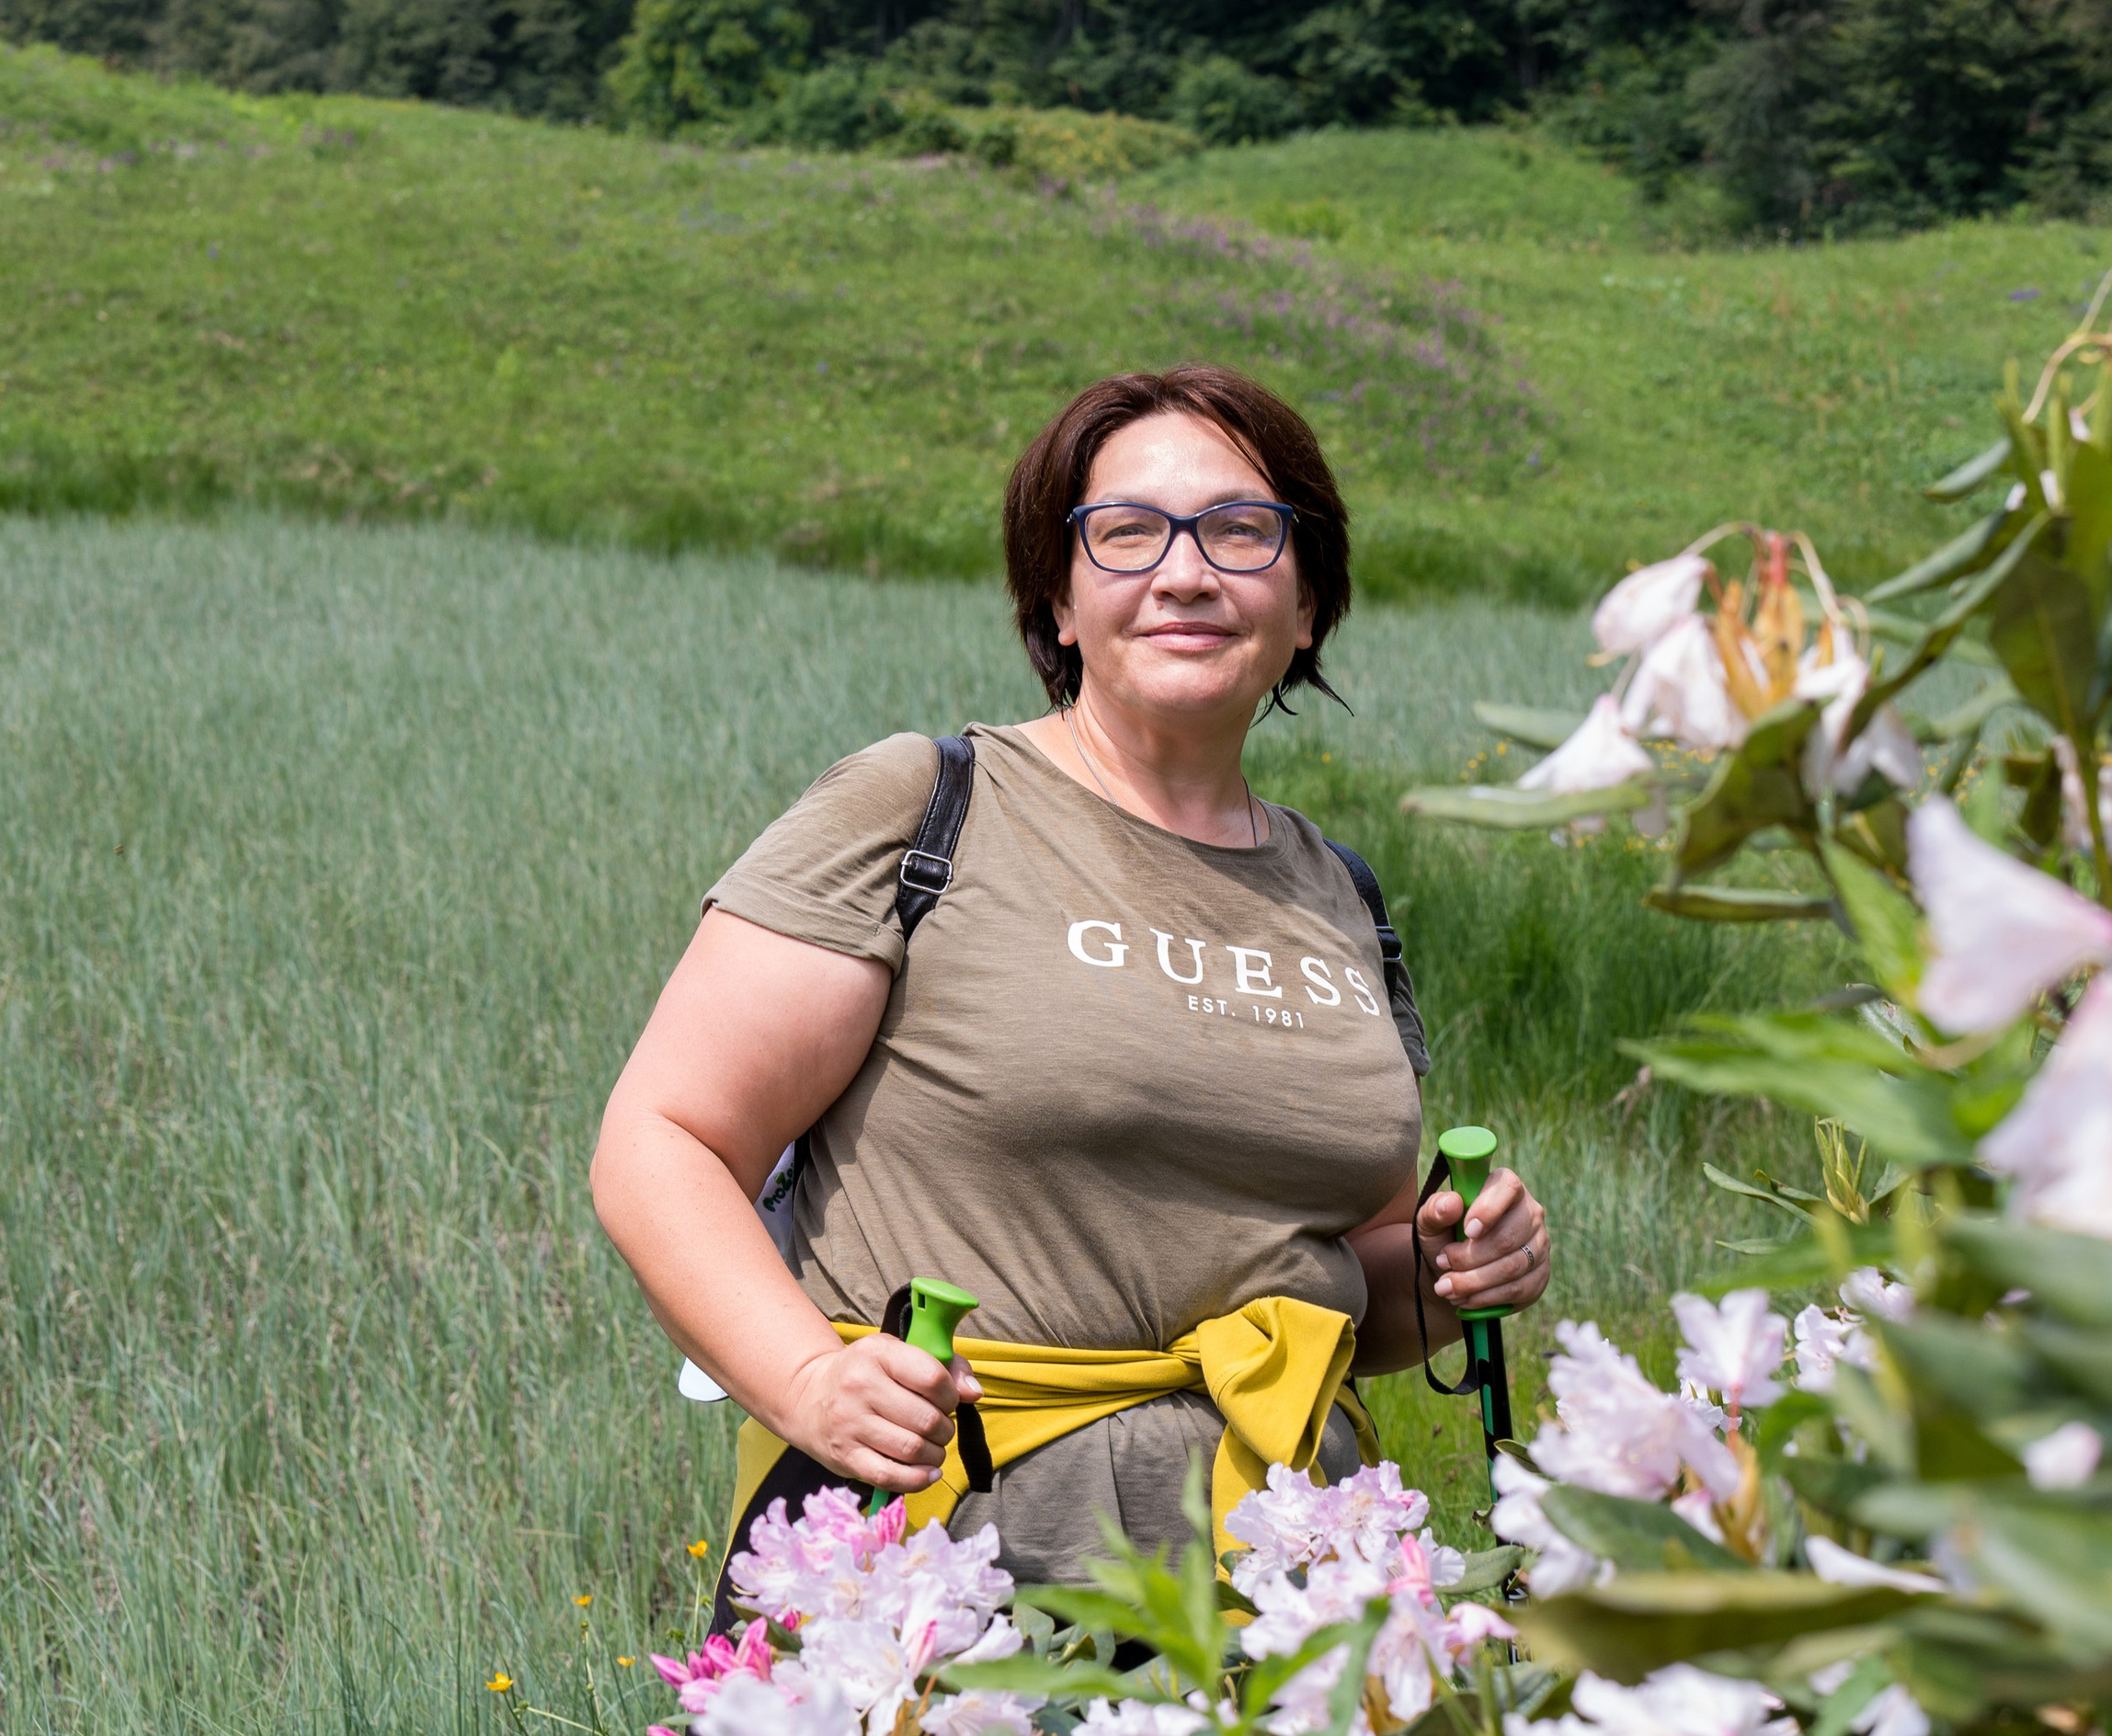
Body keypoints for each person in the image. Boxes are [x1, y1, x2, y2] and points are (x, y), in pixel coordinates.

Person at [590, 364, 1552, 1593]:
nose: (1187, 571)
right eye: (1129, 531)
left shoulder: (1341, 897)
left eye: (1243, 530)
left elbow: (1332, 1280)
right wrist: (808, 1384)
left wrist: (1449, 1267)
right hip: (958, 1551)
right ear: (1059, 598)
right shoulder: (927, 809)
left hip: (1290, 1558)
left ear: (1308, 604)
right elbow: (662, 1137)